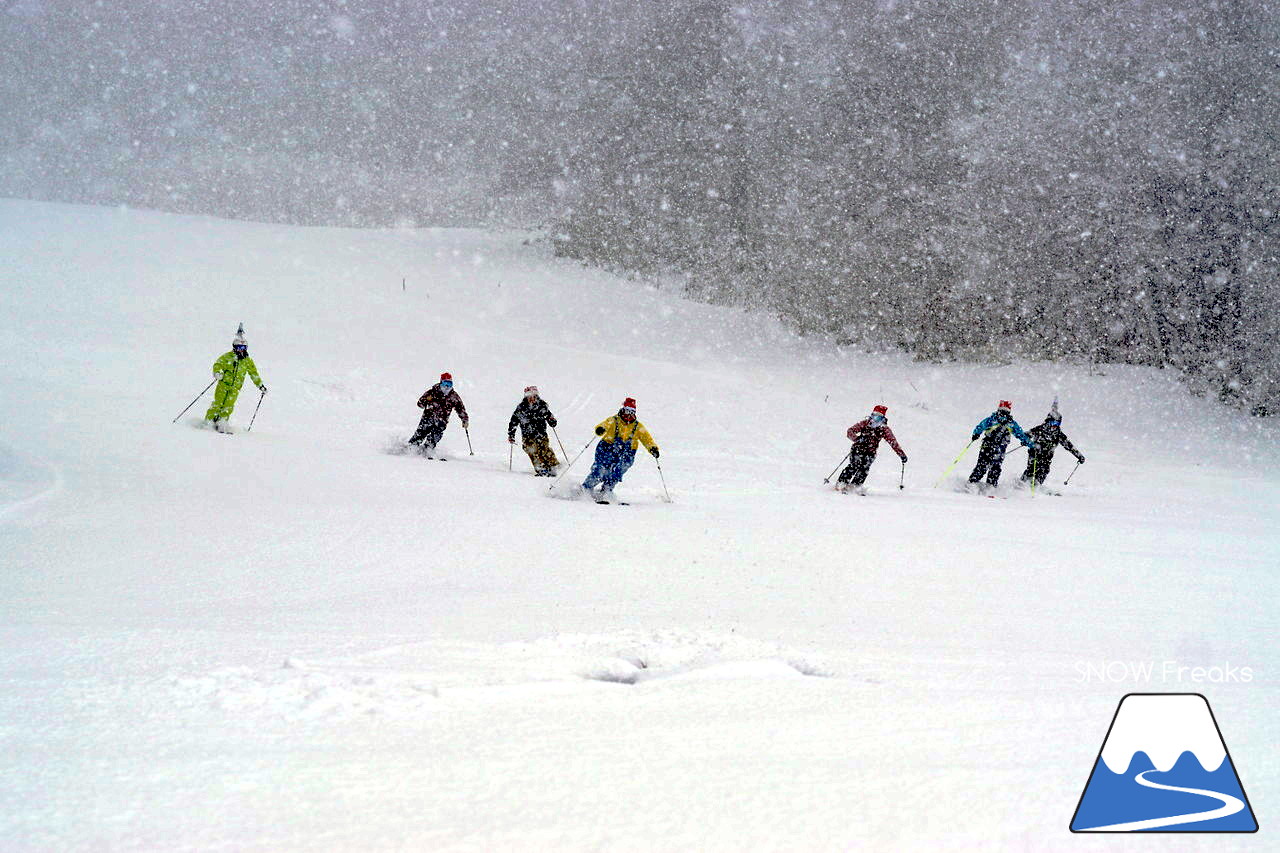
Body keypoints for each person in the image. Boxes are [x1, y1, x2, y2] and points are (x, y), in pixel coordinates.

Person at [582, 397, 658, 501]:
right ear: (623, 409)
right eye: (627, 411)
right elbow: (604, 424)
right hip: (607, 449)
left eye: (632, 412)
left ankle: (607, 490)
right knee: (601, 470)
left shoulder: (638, 426)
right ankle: (586, 488)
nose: (629, 414)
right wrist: (600, 429)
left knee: (617, 472)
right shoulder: (614, 420)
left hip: (627, 453)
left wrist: (652, 448)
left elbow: (647, 439)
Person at [205, 326, 266, 433]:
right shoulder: (228, 357)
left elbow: (253, 373)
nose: (241, 350)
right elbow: (218, 364)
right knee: (218, 403)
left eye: (243, 348)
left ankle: (222, 422)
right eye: (239, 348)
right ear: (234, 347)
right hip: (224, 385)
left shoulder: (247, 361)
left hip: (235, 388)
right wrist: (218, 373)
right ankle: (209, 421)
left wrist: (260, 385)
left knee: (228, 406)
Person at [835, 404, 907, 494]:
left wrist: (901, 454)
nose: (875, 419)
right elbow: (850, 431)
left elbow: (893, 442)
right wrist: (857, 439)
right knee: (854, 466)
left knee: (864, 469)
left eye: (878, 417)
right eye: (874, 415)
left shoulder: (884, 429)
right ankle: (841, 483)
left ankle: (855, 486)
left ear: (882, 418)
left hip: (870, 453)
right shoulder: (865, 423)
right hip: (857, 449)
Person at [967, 400, 1036, 489]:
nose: (1003, 413)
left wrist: (976, 434)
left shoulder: (993, 419)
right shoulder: (1009, 423)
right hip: (996, 449)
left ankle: (973, 483)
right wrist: (1030, 444)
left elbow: (980, 426)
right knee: (992, 467)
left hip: (989, 447)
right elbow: (1020, 435)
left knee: (983, 466)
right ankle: (988, 486)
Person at [1020, 401, 1084, 487]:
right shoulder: (1040, 429)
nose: (1055, 426)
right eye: (1053, 423)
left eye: (1058, 424)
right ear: (1048, 422)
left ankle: (1036, 486)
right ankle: (1022, 484)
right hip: (1035, 453)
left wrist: (1079, 456)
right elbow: (1026, 434)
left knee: (1044, 470)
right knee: (1031, 470)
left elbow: (1068, 445)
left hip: (1047, 456)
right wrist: (1025, 440)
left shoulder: (1058, 434)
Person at [408, 372, 468, 456]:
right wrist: (426, 400)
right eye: (445, 383)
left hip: (442, 420)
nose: (447, 386)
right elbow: (420, 404)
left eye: (449, 383)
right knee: (421, 432)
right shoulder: (432, 392)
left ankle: (428, 448)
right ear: (441, 382)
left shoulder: (453, 396)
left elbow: (460, 408)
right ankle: (412, 447)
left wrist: (464, 419)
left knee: (436, 434)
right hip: (428, 418)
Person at [508, 386, 560, 476]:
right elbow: (514, 421)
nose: (531, 398)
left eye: (534, 396)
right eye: (529, 396)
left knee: (543, 449)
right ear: (526, 397)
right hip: (527, 435)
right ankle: (540, 468)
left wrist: (552, 421)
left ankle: (552, 465)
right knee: (532, 451)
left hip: (541, 433)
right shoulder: (521, 409)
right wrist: (511, 434)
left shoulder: (541, 406)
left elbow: (549, 416)